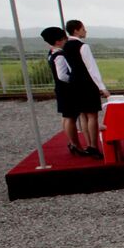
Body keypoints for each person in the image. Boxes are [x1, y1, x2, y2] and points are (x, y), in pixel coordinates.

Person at [61, 20, 107, 157]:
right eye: (83, 29)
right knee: (92, 115)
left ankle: (88, 144)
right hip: (87, 83)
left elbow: (68, 68)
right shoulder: (83, 46)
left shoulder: (65, 46)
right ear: (76, 30)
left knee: (82, 115)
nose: (85, 31)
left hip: (74, 83)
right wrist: (102, 87)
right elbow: (92, 68)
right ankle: (93, 146)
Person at [41, 26, 83, 156]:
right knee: (71, 117)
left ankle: (72, 142)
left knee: (66, 117)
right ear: (58, 41)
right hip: (66, 89)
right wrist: (75, 80)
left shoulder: (52, 53)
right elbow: (62, 75)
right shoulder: (60, 55)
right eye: (65, 40)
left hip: (61, 89)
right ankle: (76, 145)